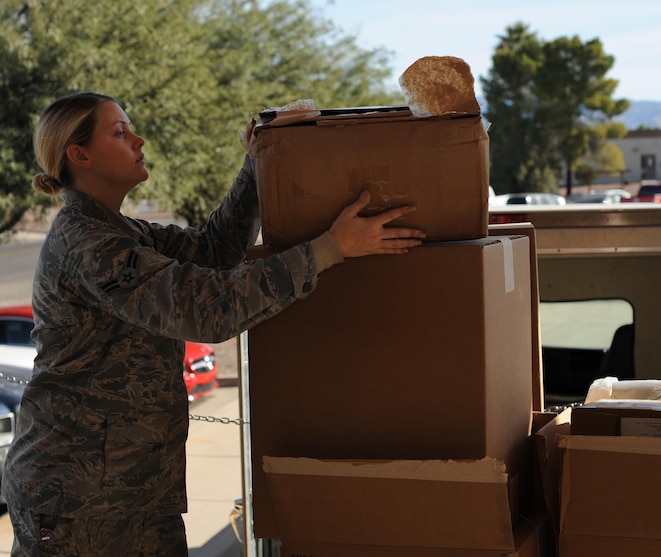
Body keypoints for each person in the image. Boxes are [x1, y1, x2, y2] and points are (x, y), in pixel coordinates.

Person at [1, 92, 426, 556]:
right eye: (120, 132)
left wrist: (257, 163)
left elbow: (216, 250)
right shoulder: (88, 243)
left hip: (129, 495)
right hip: (79, 504)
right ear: (79, 155)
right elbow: (206, 309)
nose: (138, 139)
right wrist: (328, 249)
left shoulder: (124, 232)